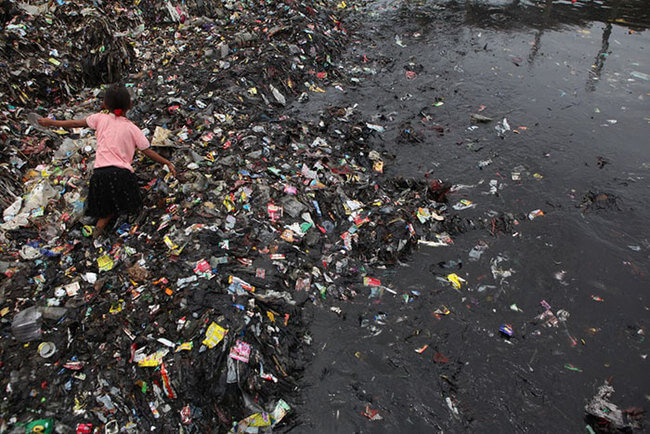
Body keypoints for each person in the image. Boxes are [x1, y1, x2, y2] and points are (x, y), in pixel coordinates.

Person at [38, 84, 176, 237]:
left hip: (100, 175)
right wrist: (167, 162)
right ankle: (126, 236)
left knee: (105, 212)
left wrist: (51, 123)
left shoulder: (100, 119)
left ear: (104, 104)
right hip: (122, 175)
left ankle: (97, 235)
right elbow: (147, 151)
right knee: (133, 206)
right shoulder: (132, 128)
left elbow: (75, 123)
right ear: (130, 105)